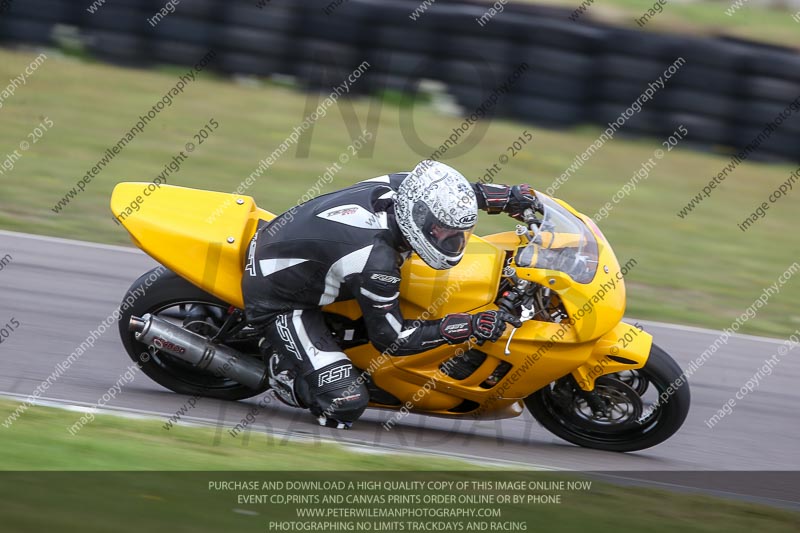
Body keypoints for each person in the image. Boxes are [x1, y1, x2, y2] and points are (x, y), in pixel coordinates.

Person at [242, 160, 537, 428]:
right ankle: (282, 370)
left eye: (457, 232)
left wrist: (509, 196)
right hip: (279, 299)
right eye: (442, 231)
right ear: (418, 217)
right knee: (344, 403)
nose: (454, 240)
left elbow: (453, 195)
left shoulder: (404, 189)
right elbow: (392, 339)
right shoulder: (376, 263)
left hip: (294, 245)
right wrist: (468, 326)